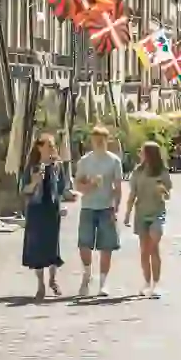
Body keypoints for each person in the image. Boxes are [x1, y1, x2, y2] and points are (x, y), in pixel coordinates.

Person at [74, 125, 123, 297]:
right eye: (96, 140)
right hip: (88, 207)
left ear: (107, 140)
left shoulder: (114, 161)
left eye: (102, 140)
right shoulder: (84, 161)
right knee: (84, 245)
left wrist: (116, 207)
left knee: (106, 246)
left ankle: (103, 283)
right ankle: (87, 275)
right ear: (92, 141)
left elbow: (118, 186)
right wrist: (90, 185)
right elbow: (77, 185)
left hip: (106, 207)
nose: (99, 142)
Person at [21, 133, 68, 300]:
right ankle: (40, 284)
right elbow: (23, 189)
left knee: (52, 246)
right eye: (48, 145)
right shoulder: (32, 166)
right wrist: (34, 182)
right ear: (40, 147)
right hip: (36, 209)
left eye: (53, 145)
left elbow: (62, 189)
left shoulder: (58, 166)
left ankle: (53, 280)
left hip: (52, 210)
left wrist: (62, 206)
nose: (52, 148)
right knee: (37, 248)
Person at [123, 141, 172, 297]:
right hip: (141, 213)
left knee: (154, 246)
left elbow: (168, 195)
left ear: (150, 154)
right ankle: (146, 283)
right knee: (144, 251)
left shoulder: (162, 171)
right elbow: (132, 194)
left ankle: (156, 284)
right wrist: (127, 213)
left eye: (142, 151)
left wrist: (163, 191)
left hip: (157, 212)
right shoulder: (138, 172)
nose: (140, 154)